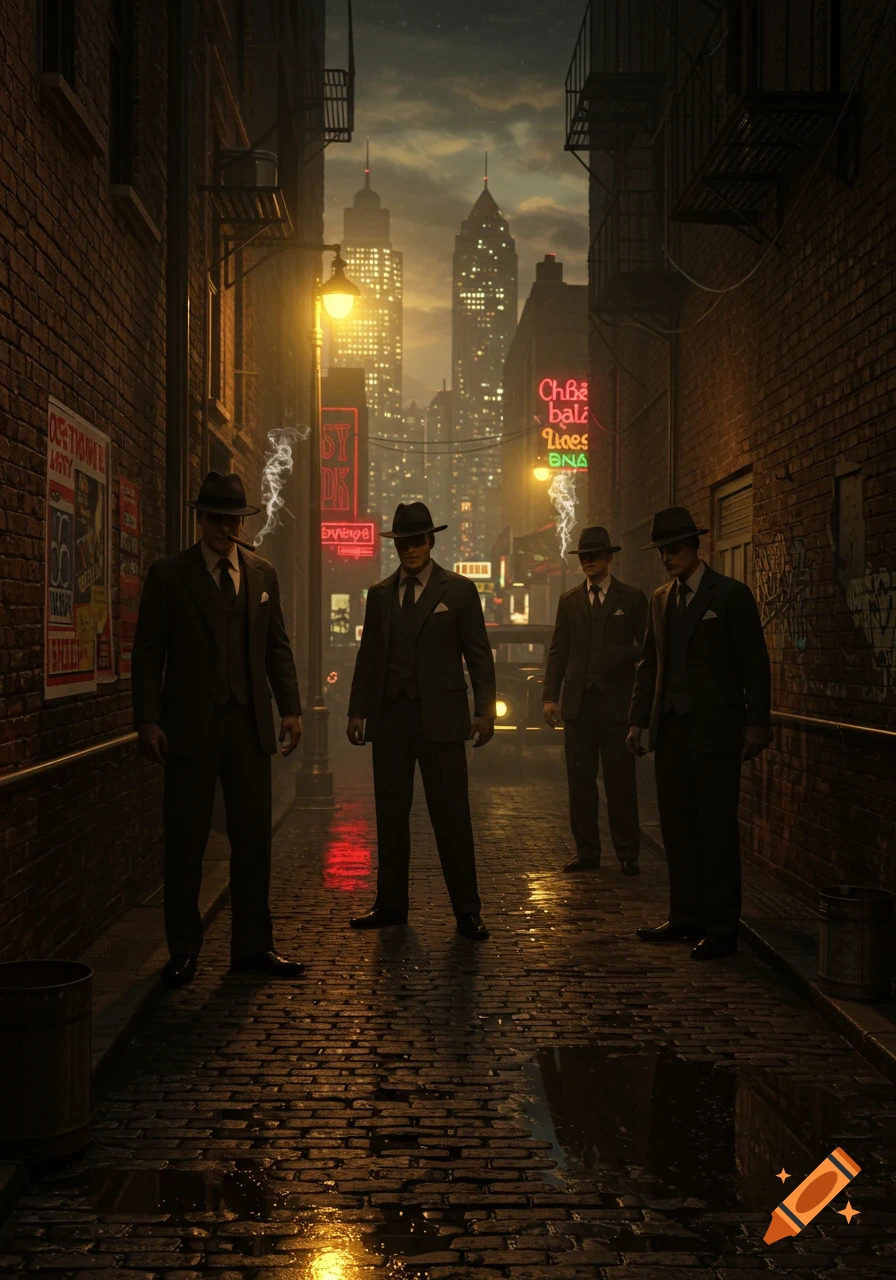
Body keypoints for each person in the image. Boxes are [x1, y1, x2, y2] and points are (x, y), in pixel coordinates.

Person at [131, 471, 304, 988]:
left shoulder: (262, 573)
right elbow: (148, 652)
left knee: (254, 839)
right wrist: (147, 719)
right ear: (200, 519)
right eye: (215, 518)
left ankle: (253, 946)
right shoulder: (169, 575)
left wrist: (290, 709)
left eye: (233, 519)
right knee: (185, 838)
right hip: (189, 725)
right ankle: (183, 950)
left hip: (249, 722)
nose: (224, 528)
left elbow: (277, 646)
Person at [626, 507, 771, 960]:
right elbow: (649, 663)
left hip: (717, 732)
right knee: (678, 827)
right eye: (661, 551)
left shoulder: (730, 595)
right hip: (671, 732)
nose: (667, 558)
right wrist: (639, 720)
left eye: (674, 548)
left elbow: (754, 663)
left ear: (695, 546)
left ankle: (722, 927)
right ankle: (685, 916)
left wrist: (757, 722)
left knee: (717, 830)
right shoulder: (660, 599)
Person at [346, 502, 496, 940]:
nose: (411, 549)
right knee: (391, 816)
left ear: (431, 541)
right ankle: (390, 904)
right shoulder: (379, 595)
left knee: (452, 816)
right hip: (390, 719)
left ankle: (467, 911)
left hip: (443, 722)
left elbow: (479, 656)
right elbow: (369, 657)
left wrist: (485, 711)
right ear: (396, 546)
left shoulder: (460, 591)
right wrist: (358, 710)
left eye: (418, 540)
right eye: (403, 542)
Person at [543, 526, 649, 874]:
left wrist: (618, 656)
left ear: (609, 557)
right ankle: (587, 852)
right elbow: (558, 651)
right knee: (580, 782)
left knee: (620, 781)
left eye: (594, 556)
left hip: (616, 704)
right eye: (583, 557)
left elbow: (648, 648)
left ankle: (627, 852)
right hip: (578, 705)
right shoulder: (569, 600)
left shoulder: (631, 598)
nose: (588, 562)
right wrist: (549, 697)